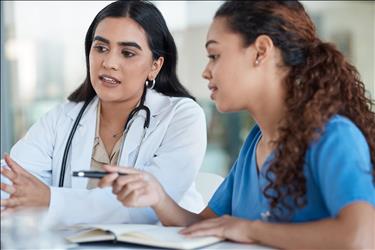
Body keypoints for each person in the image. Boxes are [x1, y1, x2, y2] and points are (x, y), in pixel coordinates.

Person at [98, 1, 375, 248]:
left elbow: (360, 237)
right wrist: (157, 196)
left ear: (260, 51)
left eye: (214, 55)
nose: (206, 71)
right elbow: (204, 225)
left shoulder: (333, 135)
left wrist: (250, 230)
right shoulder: (255, 143)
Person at [0, 1, 207, 226]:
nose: (109, 63)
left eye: (127, 53)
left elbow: (147, 205)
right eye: (101, 48)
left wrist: (50, 200)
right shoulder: (61, 118)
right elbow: (12, 184)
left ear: (155, 66)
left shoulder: (182, 117)